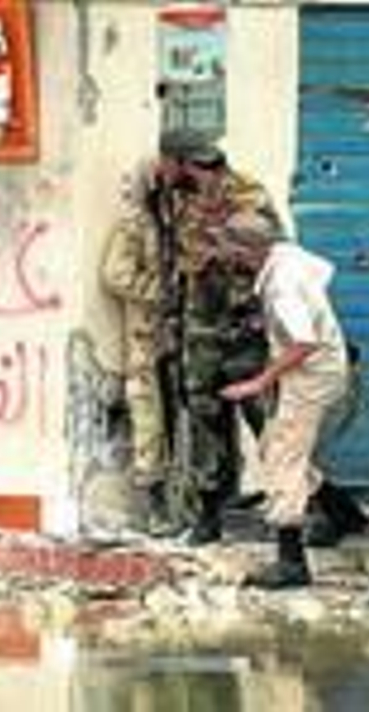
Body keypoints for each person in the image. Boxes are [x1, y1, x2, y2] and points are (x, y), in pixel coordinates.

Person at [102, 128, 276, 545]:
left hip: (240, 325)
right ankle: (208, 515)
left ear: (185, 163)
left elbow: (272, 250)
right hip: (197, 328)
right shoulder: (170, 196)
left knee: (264, 419)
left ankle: (309, 505)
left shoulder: (248, 194)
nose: (164, 171)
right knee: (203, 419)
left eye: (171, 165)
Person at [216, 212, 350, 589]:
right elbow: (326, 271)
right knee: (283, 446)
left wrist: (260, 381)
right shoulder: (287, 255)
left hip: (311, 374)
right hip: (324, 366)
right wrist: (278, 322)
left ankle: (291, 564)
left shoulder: (279, 286)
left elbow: (304, 342)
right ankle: (344, 514)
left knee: (282, 458)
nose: (224, 256)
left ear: (246, 251)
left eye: (228, 248)